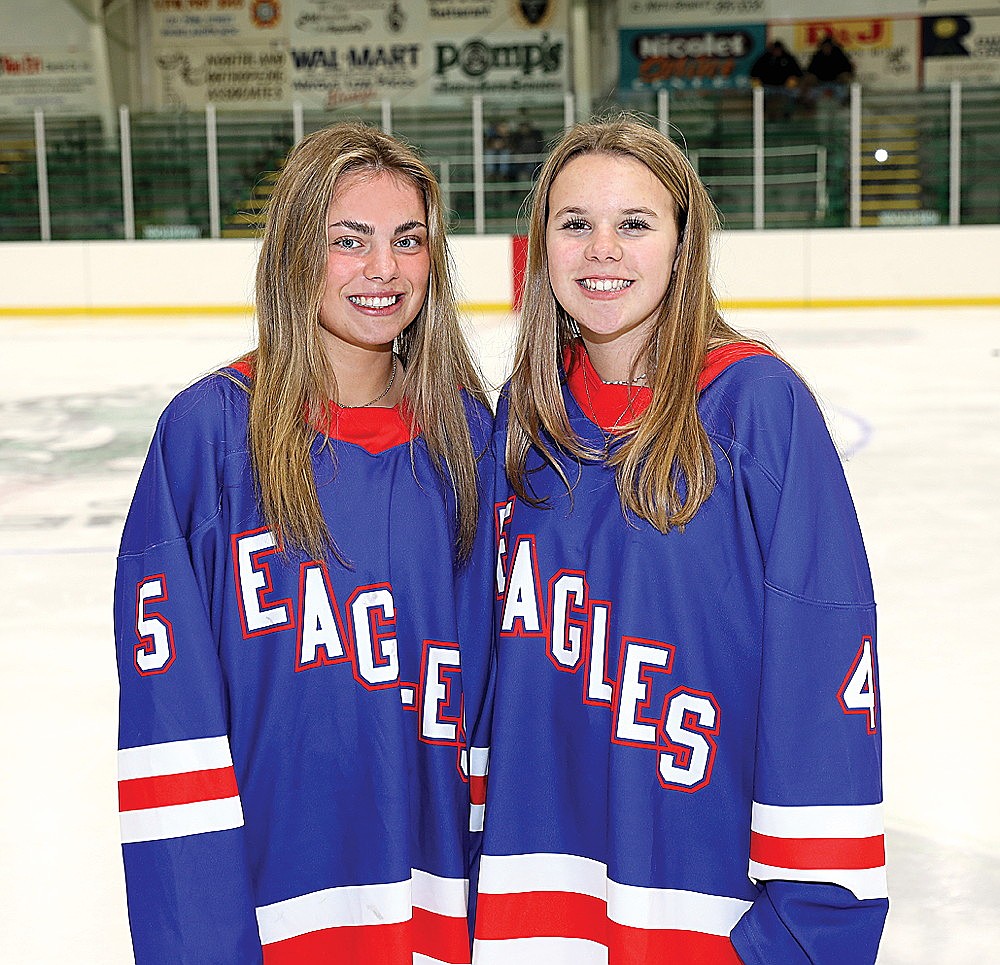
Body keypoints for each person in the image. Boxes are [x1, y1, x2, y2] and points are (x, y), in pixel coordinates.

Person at [473, 117, 888, 963]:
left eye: (635, 223)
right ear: (541, 245)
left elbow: (824, 668)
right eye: (575, 222)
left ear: (682, 241)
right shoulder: (525, 414)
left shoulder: (755, 407)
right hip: (532, 909)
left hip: (701, 910)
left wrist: (805, 926)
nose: (602, 250)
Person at [114, 122, 495, 963]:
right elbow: (169, 733)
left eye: (408, 241)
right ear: (293, 251)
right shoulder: (208, 434)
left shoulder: (469, 439)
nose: (383, 269)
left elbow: (490, 702)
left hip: (429, 906)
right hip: (263, 907)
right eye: (347, 241)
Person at [749, 40, 803, 119]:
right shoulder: (764, 58)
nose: (777, 52)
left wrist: (792, 82)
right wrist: (758, 84)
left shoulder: (788, 58)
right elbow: (753, 73)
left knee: (795, 93)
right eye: (775, 50)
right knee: (757, 93)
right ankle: (766, 114)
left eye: (779, 50)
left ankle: (787, 113)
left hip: (784, 87)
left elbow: (798, 73)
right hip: (767, 86)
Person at [801, 34, 855, 109]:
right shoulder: (817, 56)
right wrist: (812, 79)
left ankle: (845, 104)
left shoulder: (839, 55)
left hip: (837, 83)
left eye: (828, 46)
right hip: (820, 84)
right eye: (824, 46)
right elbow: (810, 71)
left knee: (843, 91)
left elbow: (849, 69)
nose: (826, 48)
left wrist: (843, 77)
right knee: (810, 91)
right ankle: (808, 108)